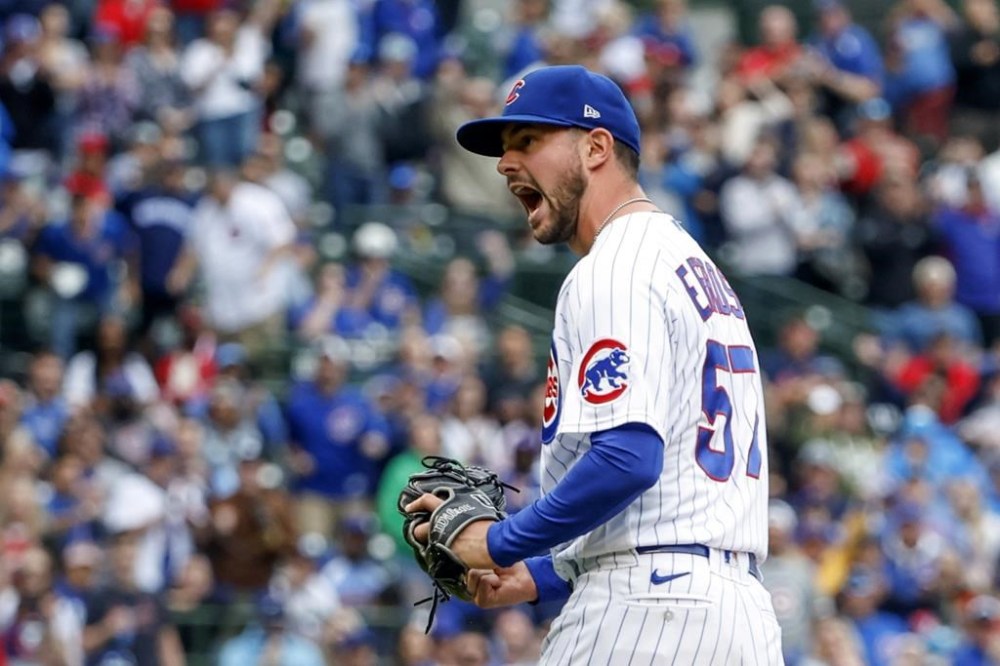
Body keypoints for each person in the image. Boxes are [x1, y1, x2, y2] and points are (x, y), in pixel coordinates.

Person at [404, 65, 782, 662]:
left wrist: (501, 541)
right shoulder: (693, 267)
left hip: (647, 611)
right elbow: (673, 494)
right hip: (735, 619)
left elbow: (629, 458)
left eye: (527, 142)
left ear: (596, 146)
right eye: (504, 149)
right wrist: (543, 576)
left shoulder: (614, 268)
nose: (505, 164)